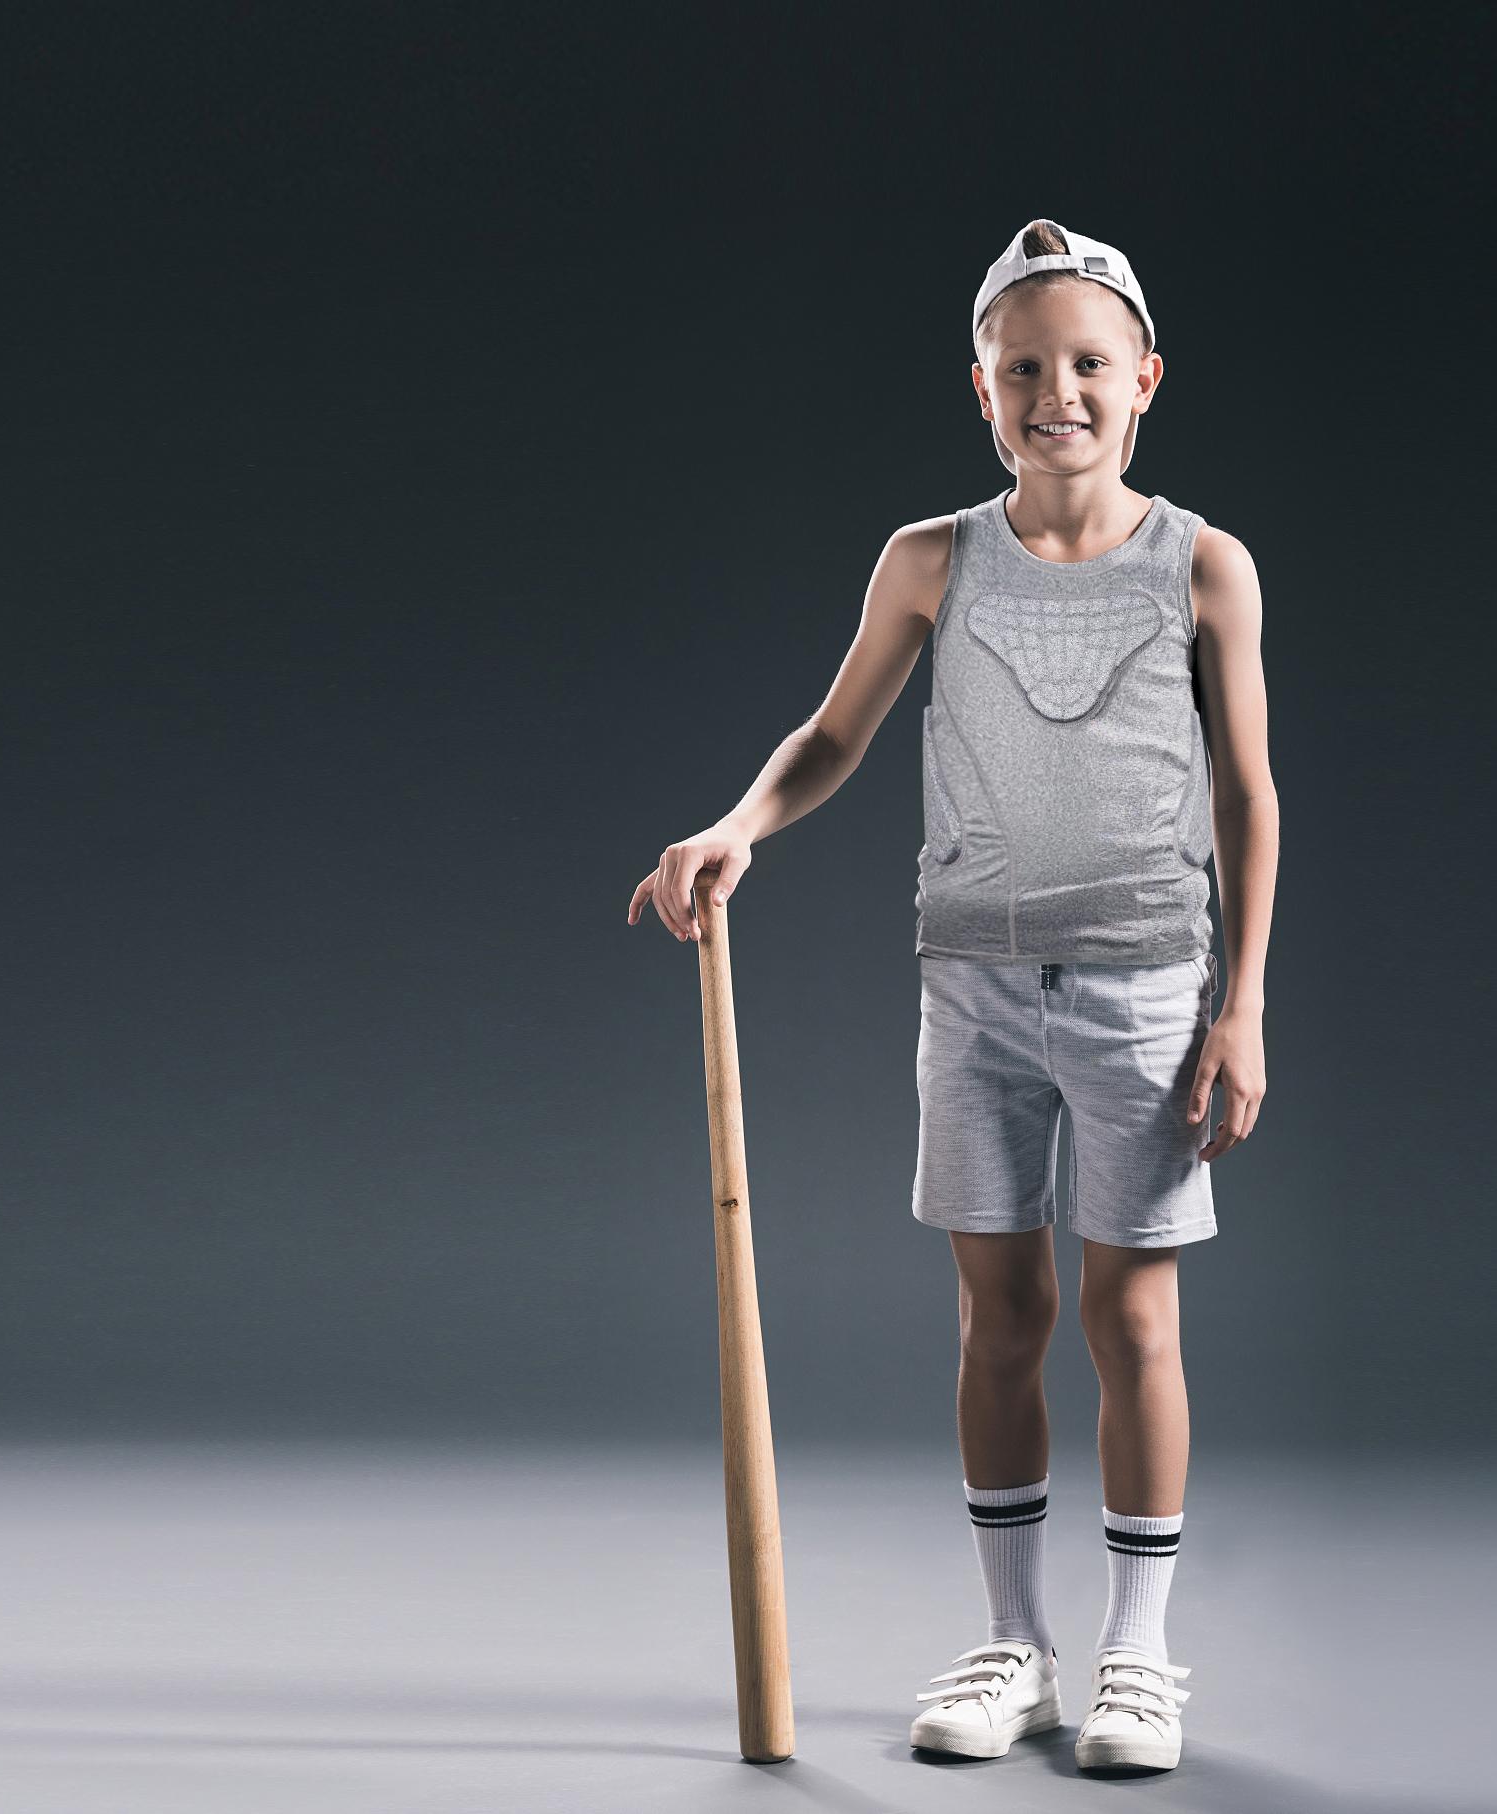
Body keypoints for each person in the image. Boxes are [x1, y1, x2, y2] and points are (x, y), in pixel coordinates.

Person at [625, 218, 1276, 1774]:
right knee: (1001, 1316)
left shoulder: (1204, 564)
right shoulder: (931, 557)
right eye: (1026, 367)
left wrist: (1241, 1006)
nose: (1060, 392)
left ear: (1145, 383)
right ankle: (1015, 1642)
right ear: (982, 388)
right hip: (973, 988)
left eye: (1089, 367)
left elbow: (1247, 794)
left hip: (1142, 988)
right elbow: (832, 737)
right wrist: (735, 824)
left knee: (1132, 1316)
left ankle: (1138, 1650)